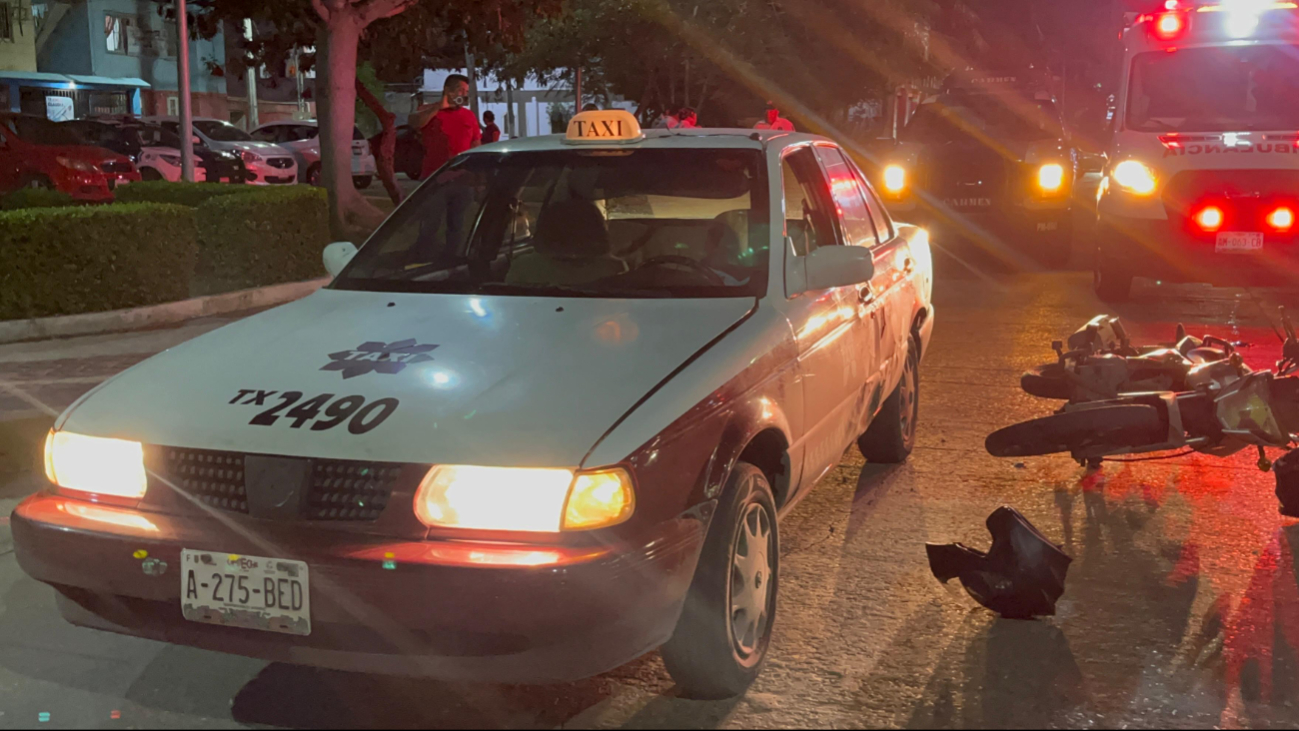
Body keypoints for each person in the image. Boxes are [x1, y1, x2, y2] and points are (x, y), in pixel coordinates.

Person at [412, 74, 482, 179]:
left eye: (466, 92)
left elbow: (475, 144)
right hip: (434, 176)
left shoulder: (469, 115)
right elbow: (415, 123)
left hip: (462, 175)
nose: (464, 95)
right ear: (448, 91)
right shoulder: (429, 110)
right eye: (461, 90)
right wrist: (438, 107)